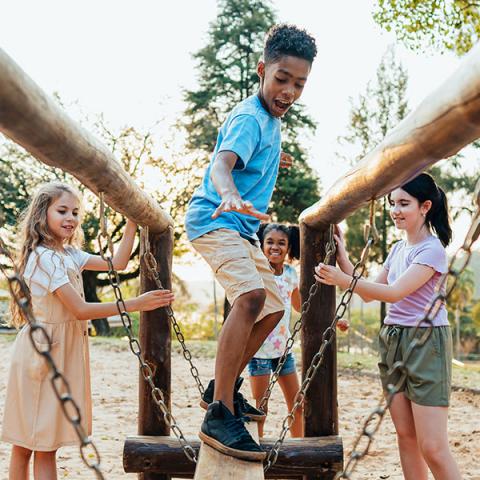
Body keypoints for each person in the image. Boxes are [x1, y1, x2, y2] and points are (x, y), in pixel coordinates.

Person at [185, 24, 317, 460]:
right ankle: (219, 412)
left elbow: (249, 152)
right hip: (215, 219)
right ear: (262, 70)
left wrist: (271, 156)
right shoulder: (249, 117)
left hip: (240, 230)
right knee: (251, 297)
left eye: (299, 83)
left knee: (274, 307)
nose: (289, 91)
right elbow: (222, 165)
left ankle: (219, 388)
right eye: (281, 79)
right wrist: (227, 192)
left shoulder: (269, 122)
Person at [1, 182, 174, 480]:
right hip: (43, 353)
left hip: (62, 350)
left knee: (40, 441)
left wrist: (132, 219)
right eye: (62, 210)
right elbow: (79, 309)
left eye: (76, 212)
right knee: (34, 442)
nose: (70, 218)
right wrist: (136, 304)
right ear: (43, 214)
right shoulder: (43, 257)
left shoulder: (68, 254)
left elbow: (117, 263)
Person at [315, 173, 461, 480]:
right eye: (392, 203)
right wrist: (342, 255)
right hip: (393, 338)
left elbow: (394, 293)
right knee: (406, 438)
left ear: (425, 207)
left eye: (404, 203)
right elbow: (369, 293)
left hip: (426, 343)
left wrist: (342, 280)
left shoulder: (431, 250)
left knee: (432, 446)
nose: (395, 210)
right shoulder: (397, 249)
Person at [247, 223, 303, 437]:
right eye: (270, 242)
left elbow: (300, 306)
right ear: (262, 245)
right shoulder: (256, 272)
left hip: (283, 352)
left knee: (297, 403)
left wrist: (334, 322)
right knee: (260, 409)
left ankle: (299, 451)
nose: (275, 247)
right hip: (258, 352)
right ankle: (258, 454)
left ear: (288, 248)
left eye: (282, 243)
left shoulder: (290, 274)